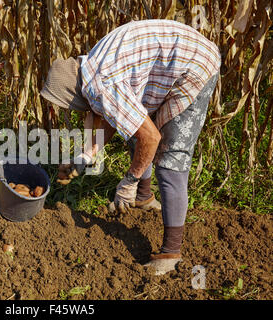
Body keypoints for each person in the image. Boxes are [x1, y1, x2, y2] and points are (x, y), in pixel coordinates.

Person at [40, 19, 221, 275]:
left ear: (75, 93)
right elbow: (115, 115)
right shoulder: (90, 66)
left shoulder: (102, 85)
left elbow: (151, 138)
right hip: (172, 59)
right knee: (133, 129)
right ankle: (144, 198)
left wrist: (129, 180)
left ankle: (171, 252)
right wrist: (85, 156)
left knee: (170, 160)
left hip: (196, 63)